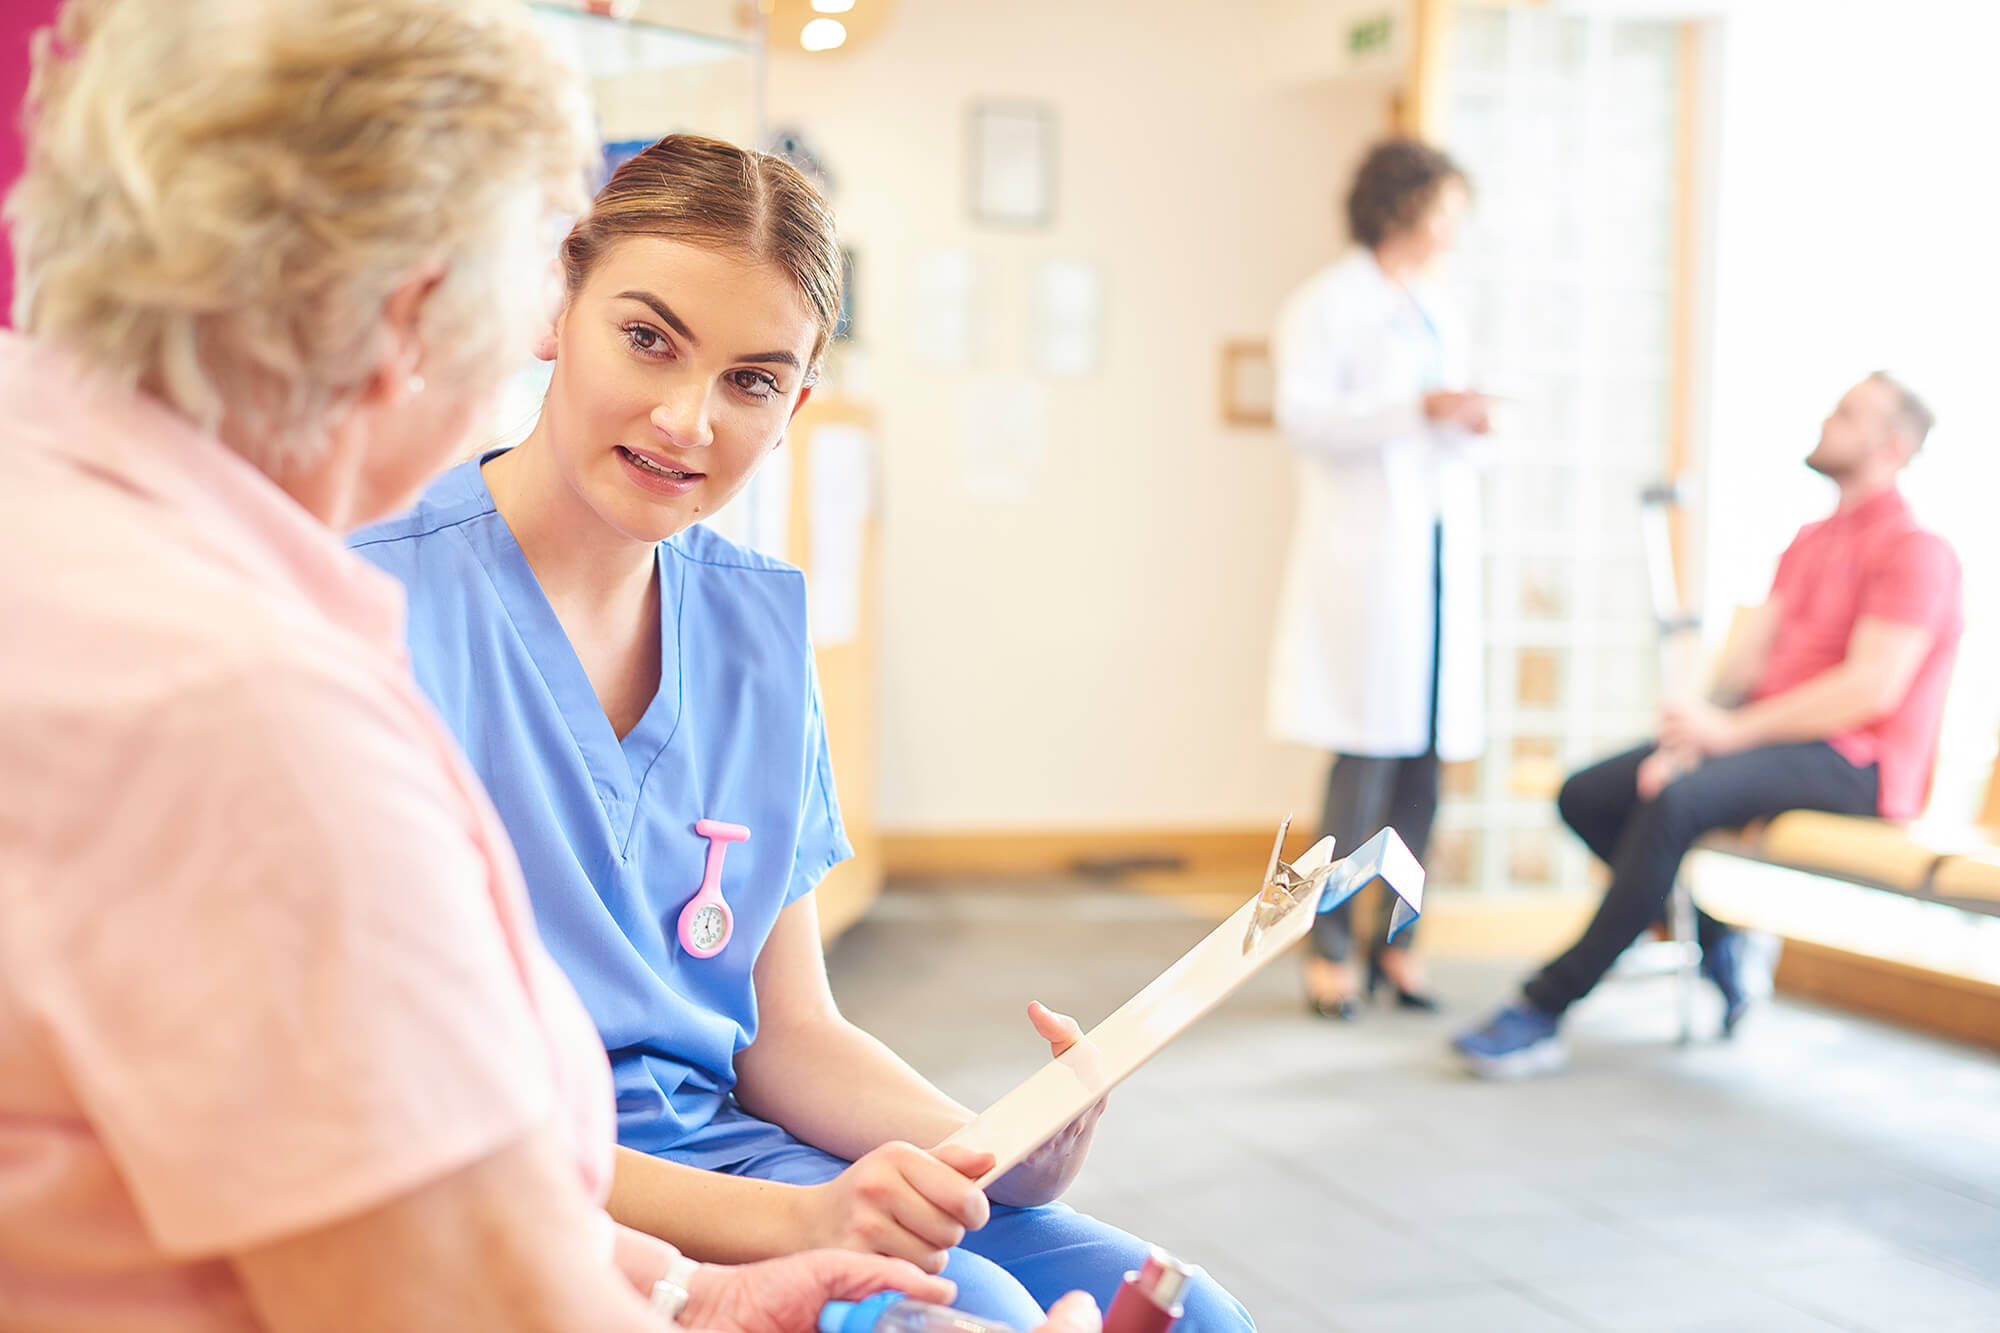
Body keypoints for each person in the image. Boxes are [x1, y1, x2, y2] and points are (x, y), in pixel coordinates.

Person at [0, 4, 1102, 1331]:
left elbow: (506, 1192)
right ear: (432, 314)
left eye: (753, 379)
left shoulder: (63, 503)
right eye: (619, 324)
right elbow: (459, 1274)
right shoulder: (262, 699)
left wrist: (712, 1284)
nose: (687, 413)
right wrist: (745, 1268)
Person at [350, 133, 1255, 1333]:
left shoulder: (754, 626)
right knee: (945, 1308)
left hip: (734, 1150)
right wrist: (801, 1226)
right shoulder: (375, 602)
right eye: (647, 338)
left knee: (1198, 1319)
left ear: (796, 404)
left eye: (752, 380)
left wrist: (990, 1150)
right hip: (520, 1176)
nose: (687, 419)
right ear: (553, 309)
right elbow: (396, 1104)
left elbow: (787, 1032)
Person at [1454, 373, 1962, 1077]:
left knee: (1676, 802)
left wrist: (1725, 739)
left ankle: (1542, 1008)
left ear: (1894, 446)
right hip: (1775, 741)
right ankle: (1721, 942)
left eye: (1849, 414)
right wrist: (1692, 736)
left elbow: (1869, 690)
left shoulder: (1918, 551)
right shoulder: (1809, 542)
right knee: (1592, 794)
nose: (1828, 418)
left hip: (1859, 764)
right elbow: (1745, 668)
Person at [1267, 138, 1492, 1019]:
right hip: (1368, 564)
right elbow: (1302, 418)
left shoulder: (1437, 306)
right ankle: (1326, 950)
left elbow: (1457, 423)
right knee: (1360, 767)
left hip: (1432, 556)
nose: (1451, 233)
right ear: (1398, 208)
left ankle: (1399, 946)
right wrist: (1412, 411)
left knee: (1425, 771)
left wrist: (1463, 418)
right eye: (1443, 212)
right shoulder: (1326, 303)